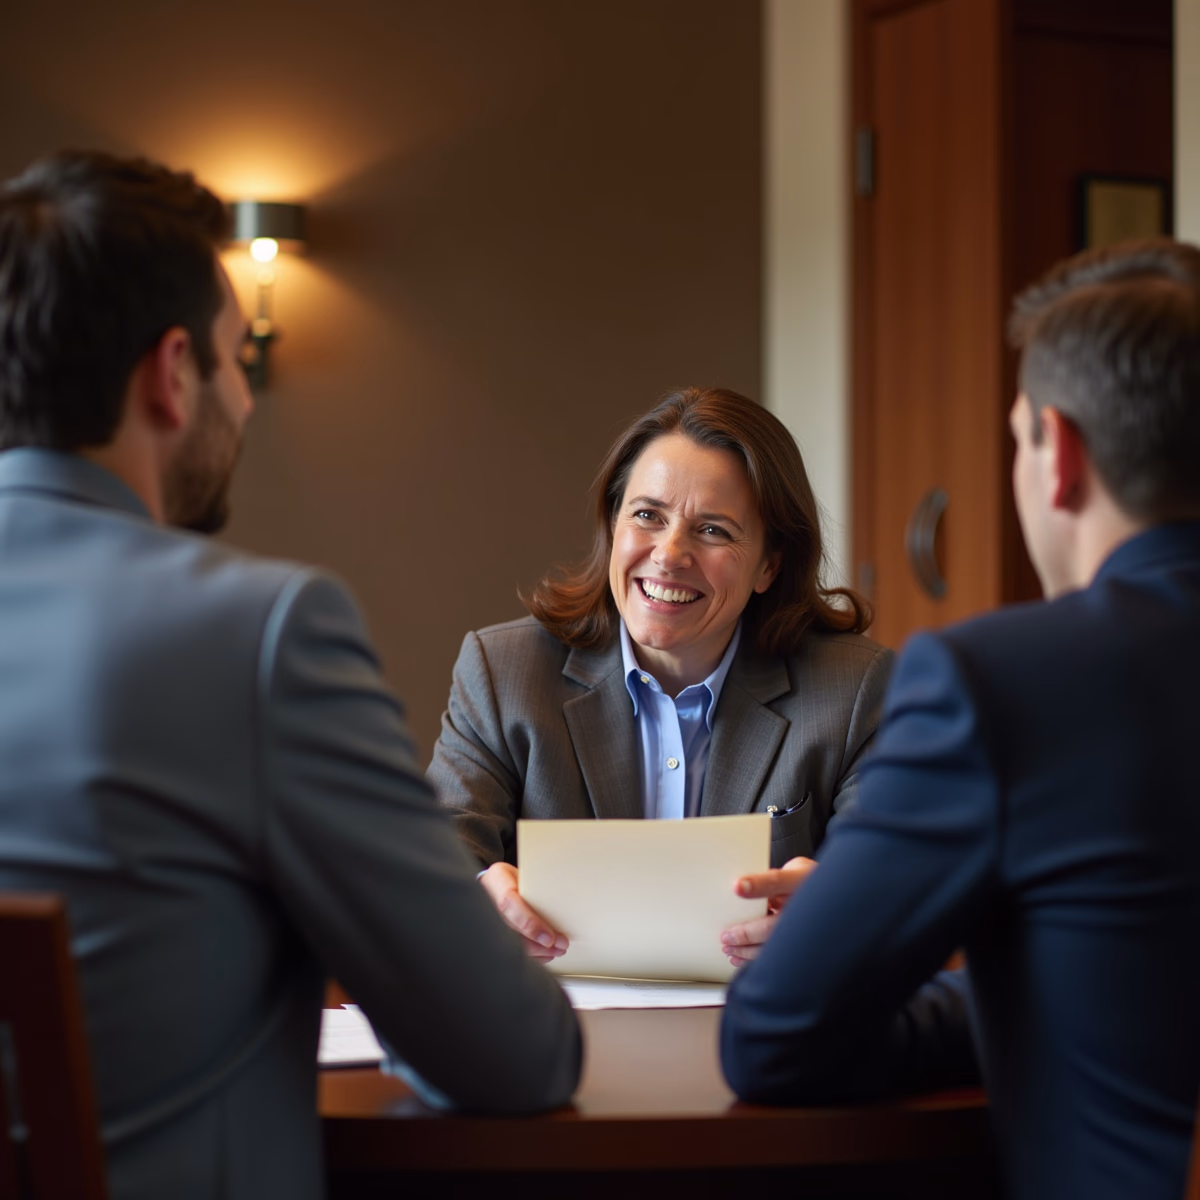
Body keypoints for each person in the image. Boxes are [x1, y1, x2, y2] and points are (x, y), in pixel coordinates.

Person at [0, 151, 580, 1200]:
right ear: (169, 374)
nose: (245, 399)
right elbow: (516, 1056)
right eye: (233, 359)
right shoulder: (260, 633)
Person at [720, 238, 1200, 1200]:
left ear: (1056, 455)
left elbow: (776, 1039)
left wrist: (1024, 986)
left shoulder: (1000, 682)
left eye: (1016, 435)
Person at [428, 387, 892, 960]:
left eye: (714, 530)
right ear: (613, 526)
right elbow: (431, 864)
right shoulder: (503, 673)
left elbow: (898, 884)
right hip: (555, 1033)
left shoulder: (853, 690)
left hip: (757, 1032)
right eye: (647, 515)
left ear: (770, 564)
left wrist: (837, 914)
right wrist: (474, 901)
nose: (670, 554)